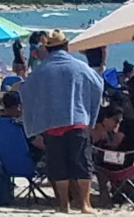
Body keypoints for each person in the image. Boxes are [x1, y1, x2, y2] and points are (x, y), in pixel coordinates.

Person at [19, 29, 103, 214]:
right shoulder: (80, 66)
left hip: (52, 122)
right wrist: (90, 112)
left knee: (58, 166)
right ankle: (85, 204)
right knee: (82, 164)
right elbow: (98, 84)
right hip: (77, 119)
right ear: (66, 46)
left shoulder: (41, 69)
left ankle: (64, 204)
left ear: (48, 50)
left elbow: (26, 91)